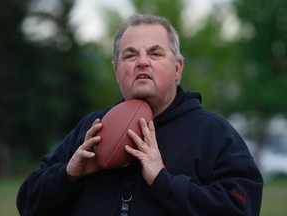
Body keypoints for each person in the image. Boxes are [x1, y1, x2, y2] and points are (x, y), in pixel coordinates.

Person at [17, 14, 263, 216]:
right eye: (130, 55)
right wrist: (68, 175)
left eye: (155, 54)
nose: (142, 62)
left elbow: (242, 207)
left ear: (178, 68)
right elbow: (27, 204)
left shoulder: (214, 133)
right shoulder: (90, 130)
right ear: (116, 71)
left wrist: (163, 181)